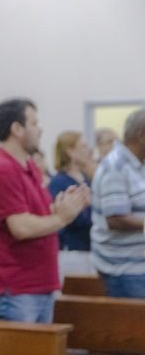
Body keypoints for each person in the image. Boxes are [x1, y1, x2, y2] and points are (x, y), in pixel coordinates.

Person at [0, 98, 90, 323]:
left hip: (38, 285)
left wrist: (63, 206)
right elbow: (21, 227)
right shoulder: (3, 169)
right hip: (18, 288)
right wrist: (62, 217)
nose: (40, 130)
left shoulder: (28, 166)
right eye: (34, 123)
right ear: (17, 128)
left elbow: (36, 214)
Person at [90, 110, 145, 298]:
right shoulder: (116, 166)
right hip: (125, 270)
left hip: (137, 265)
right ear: (141, 135)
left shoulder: (138, 165)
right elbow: (115, 218)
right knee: (135, 326)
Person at [48, 131, 96, 281]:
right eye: (83, 146)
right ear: (70, 151)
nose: (88, 150)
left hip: (90, 249)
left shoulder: (86, 179)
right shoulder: (59, 182)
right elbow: (72, 218)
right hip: (72, 251)